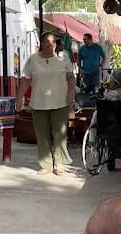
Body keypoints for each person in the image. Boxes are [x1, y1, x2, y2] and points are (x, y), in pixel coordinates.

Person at [16, 32, 76, 175]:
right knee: (42, 135)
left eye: (53, 42)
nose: (50, 45)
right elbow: (26, 80)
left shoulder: (63, 58)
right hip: (38, 102)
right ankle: (46, 164)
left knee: (59, 134)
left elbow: (71, 78)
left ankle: (60, 163)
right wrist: (19, 98)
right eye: (47, 42)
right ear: (41, 44)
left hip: (60, 101)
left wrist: (71, 95)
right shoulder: (33, 59)